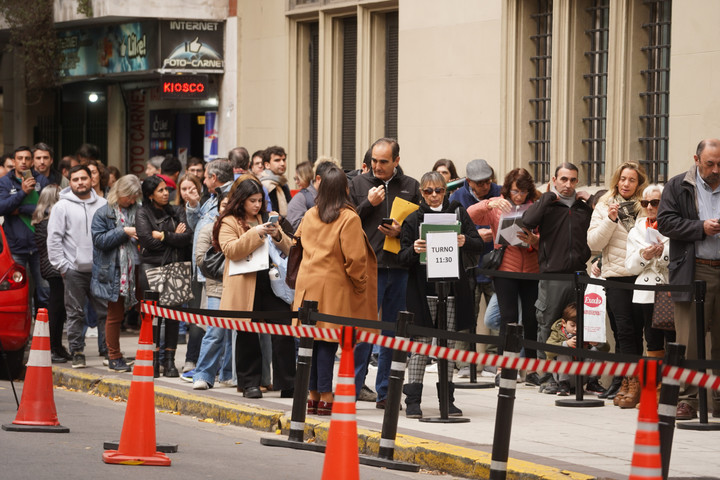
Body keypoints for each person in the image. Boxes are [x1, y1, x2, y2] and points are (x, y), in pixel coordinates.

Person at [398, 171, 483, 418]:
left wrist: (463, 240)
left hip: (453, 288)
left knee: (449, 345)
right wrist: (414, 249)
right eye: (428, 191)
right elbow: (402, 258)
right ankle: (413, 399)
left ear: (445, 191)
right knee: (421, 345)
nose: (434, 196)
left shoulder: (458, 212)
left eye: (439, 190)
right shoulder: (413, 219)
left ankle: (447, 398)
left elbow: (478, 243)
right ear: (421, 193)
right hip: (423, 290)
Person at [293, 166, 378, 415]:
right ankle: (327, 396)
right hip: (334, 286)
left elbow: (299, 244)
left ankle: (313, 395)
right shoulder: (349, 218)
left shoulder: (310, 214)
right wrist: (360, 284)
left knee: (311, 342)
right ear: (346, 189)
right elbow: (354, 260)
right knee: (328, 342)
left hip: (307, 284)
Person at [349, 137, 420, 408]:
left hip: (400, 267)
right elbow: (346, 220)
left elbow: (417, 223)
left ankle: (386, 392)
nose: (377, 167)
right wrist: (367, 203)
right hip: (369, 267)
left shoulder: (410, 186)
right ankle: (353, 387)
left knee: (393, 331)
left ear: (396, 161)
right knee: (364, 331)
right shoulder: (357, 184)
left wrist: (402, 232)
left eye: (384, 162)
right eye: (374, 161)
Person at [215, 175, 295, 398]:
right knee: (247, 333)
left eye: (260, 200)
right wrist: (256, 232)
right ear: (241, 200)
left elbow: (290, 248)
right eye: (253, 201)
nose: (257, 205)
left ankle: (288, 382)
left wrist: (278, 234)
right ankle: (250, 383)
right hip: (245, 283)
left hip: (272, 282)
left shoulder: (267, 217)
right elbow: (230, 250)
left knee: (283, 329)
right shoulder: (228, 221)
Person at [657, 138, 720, 420]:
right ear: (697, 161)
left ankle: (717, 398)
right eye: (710, 164)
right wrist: (700, 228)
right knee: (689, 339)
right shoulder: (678, 185)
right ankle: (688, 399)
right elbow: (667, 222)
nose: (716, 169)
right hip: (694, 270)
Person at [522, 163, 592, 394]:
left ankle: (580, 378)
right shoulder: (548, 205)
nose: (568, 185)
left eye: (573, 180)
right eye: (563, 179)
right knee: (547, 324)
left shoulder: (584, 207)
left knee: (583, 325)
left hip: (579, 276)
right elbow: (527, 221)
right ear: (554, 179)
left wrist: (591, 201)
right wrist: (546, 197)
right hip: (552, 276)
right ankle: (548, 376)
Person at [467, 168, 541, 384]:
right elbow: (469, 215)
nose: (519, 196)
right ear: (508, 189)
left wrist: (535, 240)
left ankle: (532, 370)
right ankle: (504, 369)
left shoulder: (535, 206)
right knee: (508, 320)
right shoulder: (498, 204)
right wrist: (488, 204)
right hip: (505, 269)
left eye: (524, 191)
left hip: (531, 268)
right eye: (516, 191)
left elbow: (548, 234)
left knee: (530, 320)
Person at [587, 161, 647, 407]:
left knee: (638, 331)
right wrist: (611, 220)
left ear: (638, 183)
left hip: (642, 275)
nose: (626, 184)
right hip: (616, 277)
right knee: (623, 330)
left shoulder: (646, 206)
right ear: (616, 180)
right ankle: (627, 382)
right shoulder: (604, 206)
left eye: (632, 180)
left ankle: (632, 383)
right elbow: (593, 244)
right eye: (623, 178)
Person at [47, 165, 108, 368]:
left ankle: (108, 350)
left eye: (84, 178)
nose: (80, 182)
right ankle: (77, 351)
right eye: (75, 179)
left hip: (100, 269)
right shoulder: (61, 207)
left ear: (92, 180)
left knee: (106, 312)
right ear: (70, 182)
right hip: (73, 270)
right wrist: (63, 266)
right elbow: (54, 239)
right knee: (75, 313)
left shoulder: (104, 204)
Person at [136, 175, 193, 377]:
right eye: (160, 190)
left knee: (173, 316)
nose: (165, 193)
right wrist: (173, 236)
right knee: (154, 317)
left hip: (175, 266)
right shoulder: (143, 213)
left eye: (167, 189)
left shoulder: (177, 210)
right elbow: (146, 241)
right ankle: (153, 360)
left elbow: (186, 238)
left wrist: (163, 235)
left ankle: (169, 362)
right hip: (151, 268)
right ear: (150, 194)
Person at [448, 159, 499, 378]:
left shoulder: (499, 193)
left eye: (487, 181)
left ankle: (493, 361)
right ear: (468, 182)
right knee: (466, 316)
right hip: (468, 265)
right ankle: (464, 364)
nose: (485, 186)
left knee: (497, 318)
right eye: (479, 183)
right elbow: (450, 230)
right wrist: (475, 236)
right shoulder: (457, 197)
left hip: (496, 264)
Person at [91, 175, 142, 372]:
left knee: (145, 313)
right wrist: (125, 231)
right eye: (128, 197)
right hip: (115, 271)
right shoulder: (103, 213)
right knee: (115, 315)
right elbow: (99, 241)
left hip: (138, 269)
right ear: (118, 193)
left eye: (134, 197)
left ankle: (147, 353)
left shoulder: (139, 210)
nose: (131, 201)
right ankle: (114, 356)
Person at [187, 194, 236, 390]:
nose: (226, 208)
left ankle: (229, 374)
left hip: (238, 286)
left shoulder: (241, 229)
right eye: (223, 204)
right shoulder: (208, 229)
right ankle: (203, 374)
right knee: (215, 331)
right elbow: (200, 260)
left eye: (230, 204)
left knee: (235, 333)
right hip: (215, 286)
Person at [625, 184, 674, 365]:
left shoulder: (674, 225)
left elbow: (681, 258)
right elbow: (630, 266)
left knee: (672, 337)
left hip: (668, 288)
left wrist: (663, 253)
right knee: (651, 338)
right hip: (646, 292)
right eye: (645, 203)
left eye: (655, 202)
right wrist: (643, 256)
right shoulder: (635, 230)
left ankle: (671, 386)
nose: (649, 207)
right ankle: (656, 385)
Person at [0, 146, 50, 311]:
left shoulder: (41, 181)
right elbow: (2, 207)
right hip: (16, 247)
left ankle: (44, 331)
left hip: (39, 246)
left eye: (27, 158)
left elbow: (48, 209)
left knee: (44, 290)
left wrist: (20, 209)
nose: (23, 162)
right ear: (13, 161)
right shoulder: (5, 182)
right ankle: (25, 332)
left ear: (32, 161)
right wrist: (22, 193)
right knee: (20, 291)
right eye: (19, 158)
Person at [32, 185, 70, 363]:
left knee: (59, 308)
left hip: (50, 268)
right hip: (54, 269)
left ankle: (57, 346)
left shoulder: (41, 221)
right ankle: (53, 347)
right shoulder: (47, 222)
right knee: (56, 309)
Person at [545, 303, 608, 396]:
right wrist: (566, 344)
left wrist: (598, 344)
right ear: (564, 323)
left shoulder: (589, 332)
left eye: (580, 325)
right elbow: (548, 351)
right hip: (563, 375)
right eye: (572, 325)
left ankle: (592, 382)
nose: (576, 329)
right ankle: (563, 385)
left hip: (583, 374)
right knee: (563, 350)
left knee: (597, 350)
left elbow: (606, 349)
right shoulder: (557, 332)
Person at [286, 161, 336, 231]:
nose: (296, 182)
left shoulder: (328, 196)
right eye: (329, 181)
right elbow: (295, 227)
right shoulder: (300, 198)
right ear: (318, 179)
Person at [259, 146, 292, 216]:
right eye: (277, 160)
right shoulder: (265, 185)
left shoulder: (283, 183)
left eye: (284, 160)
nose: (282, 163)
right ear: (267, 165)